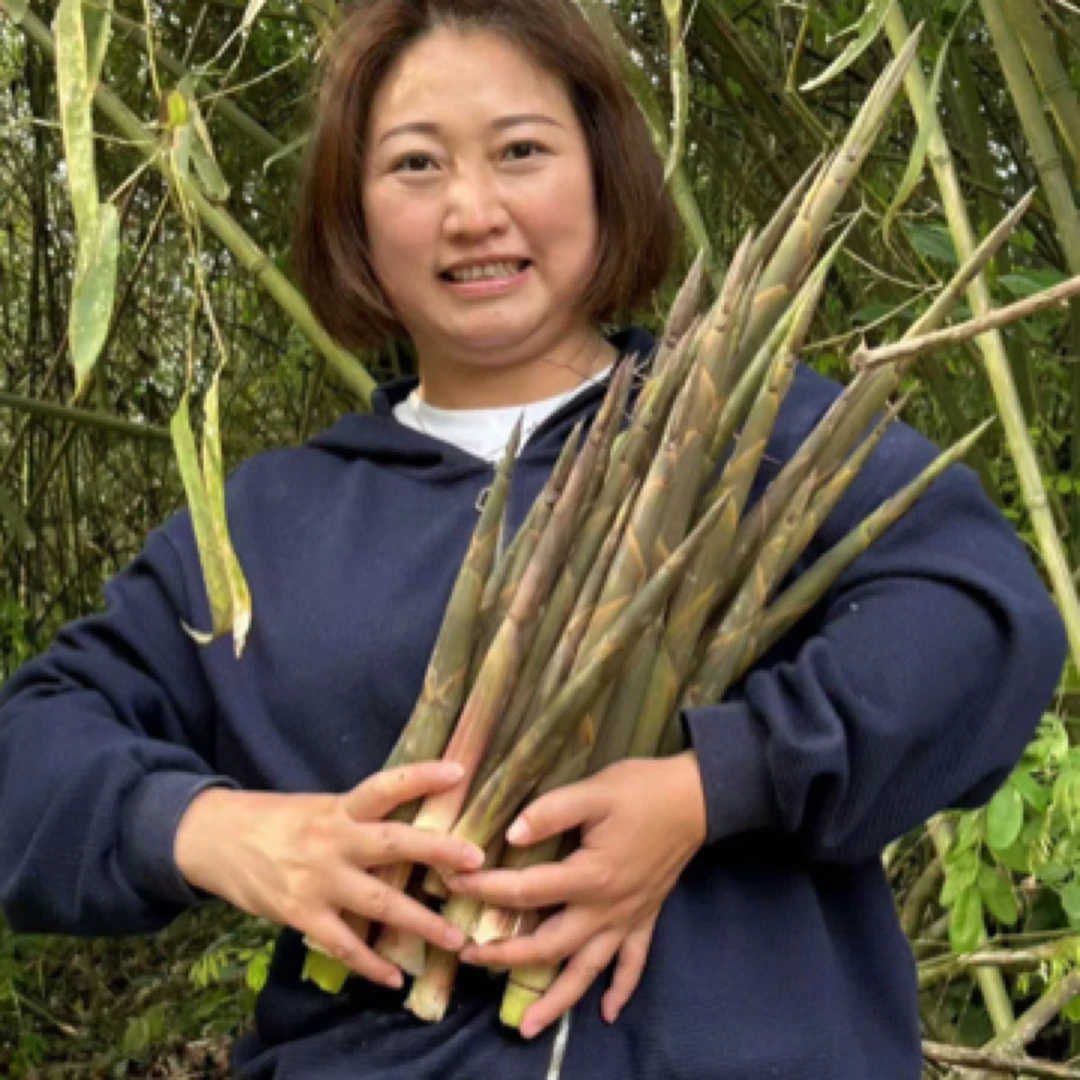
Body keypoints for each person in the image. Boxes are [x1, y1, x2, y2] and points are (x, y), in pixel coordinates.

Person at [0, 0, 1068, 1077]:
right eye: (415, 165)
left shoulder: (753, 433)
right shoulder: (265, 531)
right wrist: (222, 834)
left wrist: (708, 789)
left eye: (521, 151)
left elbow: (981, 624)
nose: (473, 211)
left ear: (605, 172)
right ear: (351, 210)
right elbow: (31, 753)